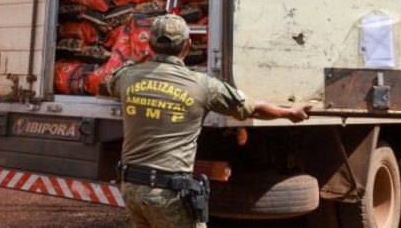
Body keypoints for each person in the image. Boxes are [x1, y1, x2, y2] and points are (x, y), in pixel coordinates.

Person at [105, 14, 311, 228]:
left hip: (131, 189)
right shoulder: (203, 86)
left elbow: (110, 81)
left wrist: (138, 63)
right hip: (167, 194)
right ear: (187, 45)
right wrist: (290, 112)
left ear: (150, 44)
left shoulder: (127, 77)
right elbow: (254, 109)